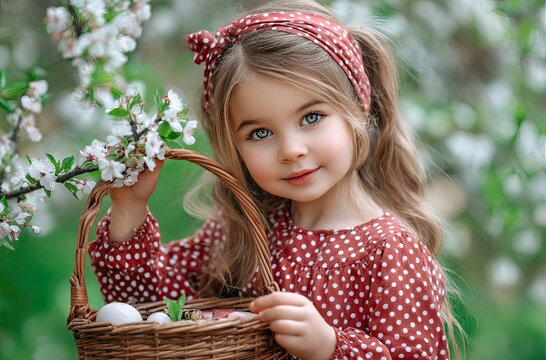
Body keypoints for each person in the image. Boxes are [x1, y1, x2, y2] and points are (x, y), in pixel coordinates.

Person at [89, 0, 455, 358]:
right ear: (235, 147)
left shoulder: (389, 252)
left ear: (357, 109)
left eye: (311, 117)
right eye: (260, 133)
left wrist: (331, 347)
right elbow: (146, 312)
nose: (291, 150)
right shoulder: (243, 233)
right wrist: (129, 207)